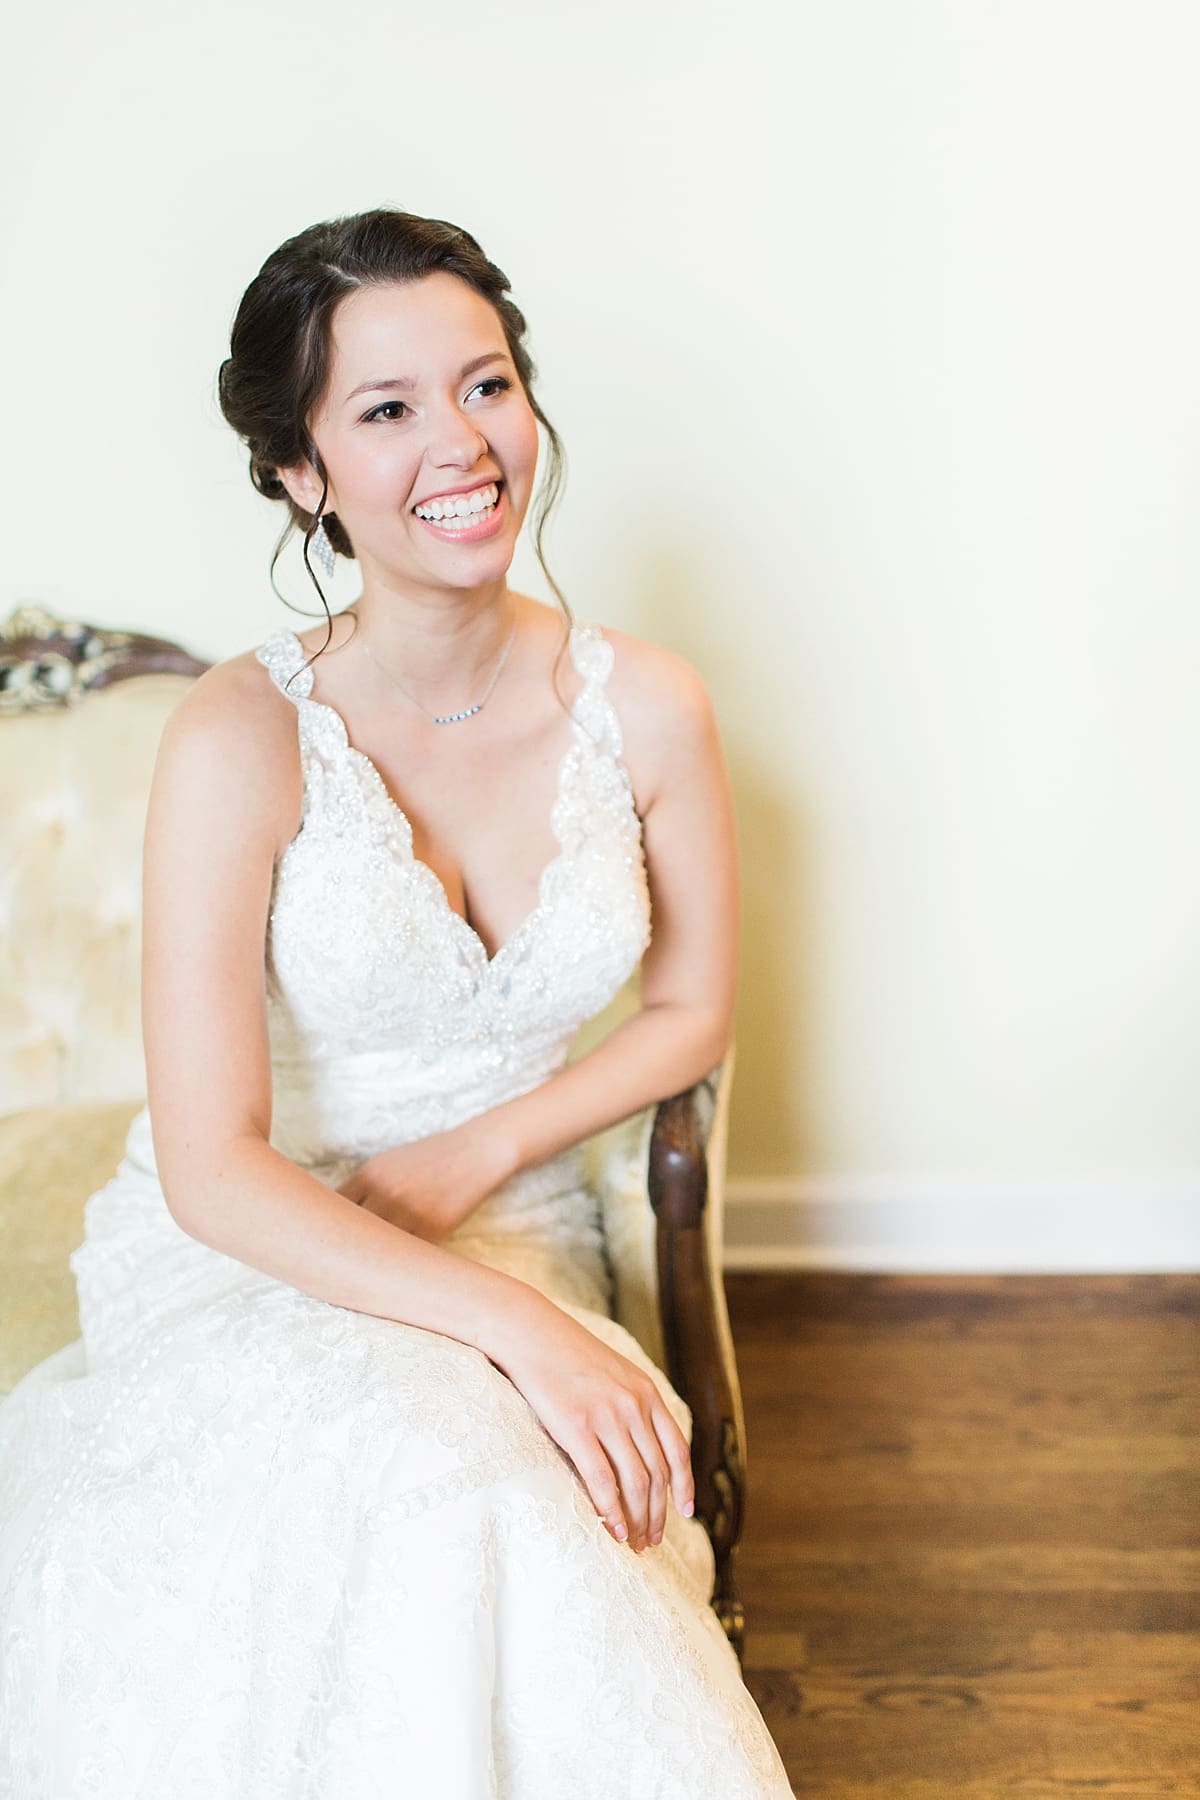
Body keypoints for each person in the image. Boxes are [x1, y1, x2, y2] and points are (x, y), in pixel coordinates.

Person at [0, 208, 793, 1797]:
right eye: (387, 409)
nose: (463, 443)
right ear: (302, 474)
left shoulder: (649, 705)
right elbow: (219, 1166)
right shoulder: (238, 731)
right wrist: (528, 1341)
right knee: (441, 1471)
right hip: (261, 1236)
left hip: (506, 1210)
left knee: (486, 1491)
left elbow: (688, 1009)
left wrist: (473, 1159)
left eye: (486, 384)